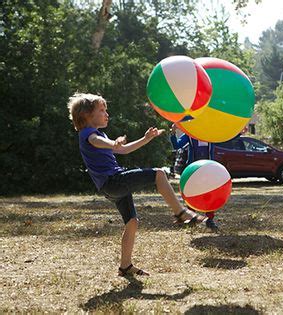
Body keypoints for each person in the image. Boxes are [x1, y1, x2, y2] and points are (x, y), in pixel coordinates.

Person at [67, 93, 207, 277]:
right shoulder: (88, 133)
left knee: (132, 222)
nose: (106, 114)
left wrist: (146, 138)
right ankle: (181, 213)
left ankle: (125, 266)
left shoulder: (98, 133)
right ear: (86, 115)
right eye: (102, 110)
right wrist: (112, 142)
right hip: (114, 181)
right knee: (159, 174)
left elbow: (123, 149)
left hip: (111, 187)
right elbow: (97, 142)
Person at [169, 123, 219, 231]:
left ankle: (210, 219)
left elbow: (226, 137)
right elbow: (177, 145)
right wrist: (173, 132)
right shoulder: (190, 135)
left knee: (209, 193)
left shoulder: (212, 135)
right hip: (193, 170)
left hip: (208, 169)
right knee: (191, 192)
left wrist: (238, 132)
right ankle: (191, 218)